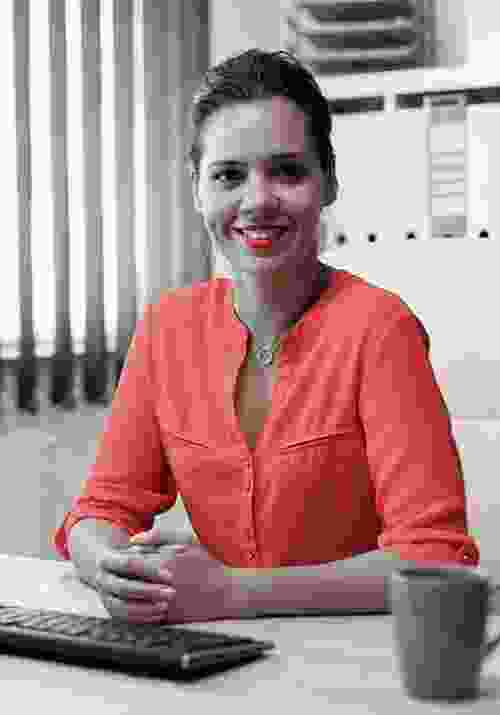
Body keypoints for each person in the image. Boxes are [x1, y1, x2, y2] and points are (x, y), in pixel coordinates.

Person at [54, 49, 479, 625]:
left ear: (328, 182)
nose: (257, 200)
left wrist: (237, 593)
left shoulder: (380, 329)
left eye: (287, 171)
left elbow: (435, 558)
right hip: (215, 650)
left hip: (353, 655)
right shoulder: (166, 328)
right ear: (198, 189)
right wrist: (108, 564)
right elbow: (102, 509)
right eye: (229, 175)